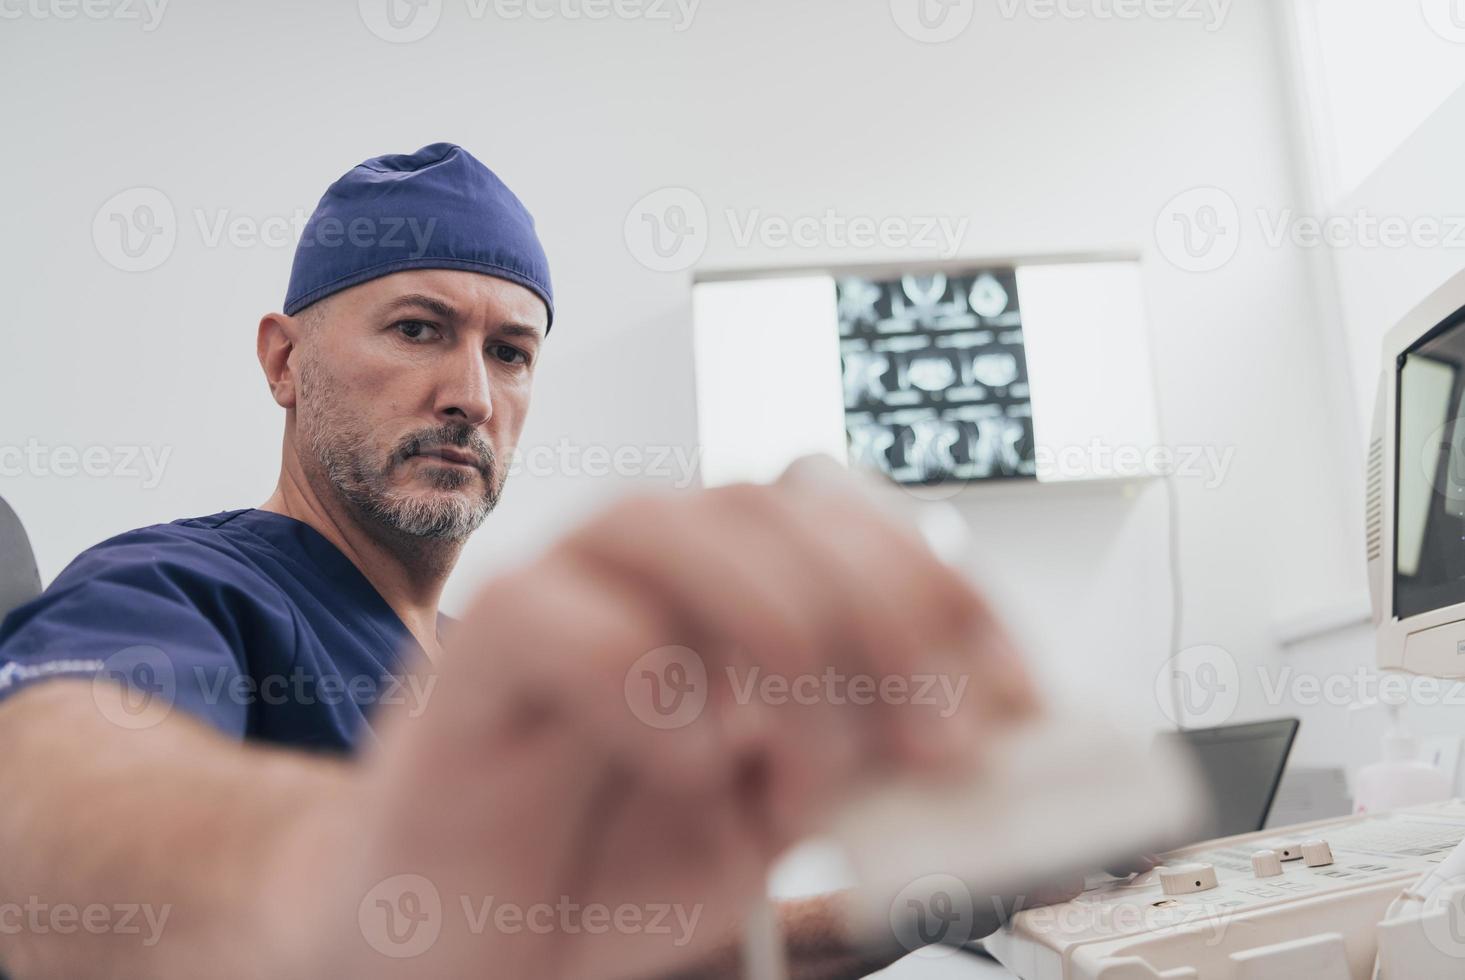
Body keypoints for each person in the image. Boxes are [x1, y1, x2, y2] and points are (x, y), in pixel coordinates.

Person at [0, 144, 1045, 979]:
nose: (471, 393)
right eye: (418, 328)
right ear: (284, 358)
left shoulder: (488, 671)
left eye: (510, 352)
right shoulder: (180, 590)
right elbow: (44, 812)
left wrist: (944, 891)